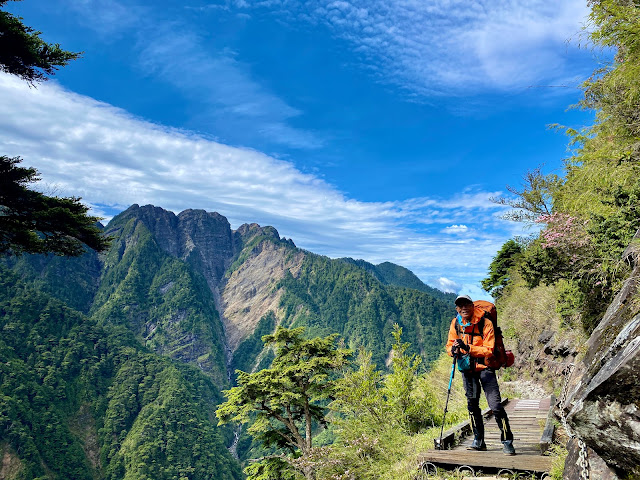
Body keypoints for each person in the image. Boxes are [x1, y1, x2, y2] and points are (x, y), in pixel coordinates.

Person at [445, 294, 516, 455]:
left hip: (485, 367)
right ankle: (478, 440)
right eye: (460, 305)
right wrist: (453, 350)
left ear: (473, 306)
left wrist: (468, 347)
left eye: (466, 304)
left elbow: (489, 350)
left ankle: (507, 440)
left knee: (496, 406)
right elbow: (449, 344)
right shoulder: (456, 323)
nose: (464, 307)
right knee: (472, 405)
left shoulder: (486, 322)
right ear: (457, 308)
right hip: (468, 369)